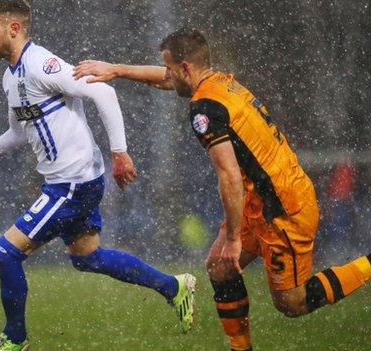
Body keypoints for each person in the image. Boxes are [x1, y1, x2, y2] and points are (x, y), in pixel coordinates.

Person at [73, 28, 371, 351]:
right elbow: (165, 78)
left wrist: (232, 238)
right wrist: (116, 70)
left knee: (291, 303)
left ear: (186, 68)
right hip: (261, 200)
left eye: (172, 69)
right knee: (219, 267)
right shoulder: (219, 83)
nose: (168, 77)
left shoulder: (204, 108)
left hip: (283, 208)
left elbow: (228, 176)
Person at [0, 3, 196, 350]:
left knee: (4, 253)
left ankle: (15, 339)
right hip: (71, 181)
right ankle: (174, 287)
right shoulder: (10, 77)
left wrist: (119, 152)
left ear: (14, 28)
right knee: (88, 258)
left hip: (72, 183)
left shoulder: (42, 64)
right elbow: (18, 131)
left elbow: (103, 91)